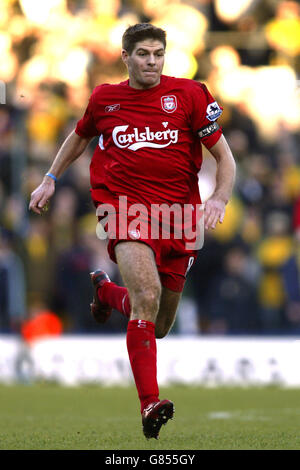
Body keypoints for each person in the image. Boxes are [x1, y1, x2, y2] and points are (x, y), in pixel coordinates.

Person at [29, 23, 236, 439]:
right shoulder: (105, 98)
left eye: (158, 53)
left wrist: (219, 199)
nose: (152, 61)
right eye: (143, 54)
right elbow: (80, 135)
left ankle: (105, 292)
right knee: (146, 297)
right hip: (123, 210)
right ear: (126, 57)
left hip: (180, 217)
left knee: (158, 323)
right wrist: (51, 177)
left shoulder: (190, 95)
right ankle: (149, 405)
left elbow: (225, 158)